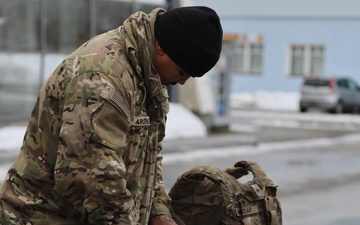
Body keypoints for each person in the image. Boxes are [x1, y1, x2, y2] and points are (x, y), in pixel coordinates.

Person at [0, 5, 223, 225]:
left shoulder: (148, 77)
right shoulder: (102, 79)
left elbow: (148, 160)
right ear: (161, 48)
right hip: (40, 217)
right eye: (182, 71)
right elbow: (92, 180)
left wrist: (158, 212)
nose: (182, 81)